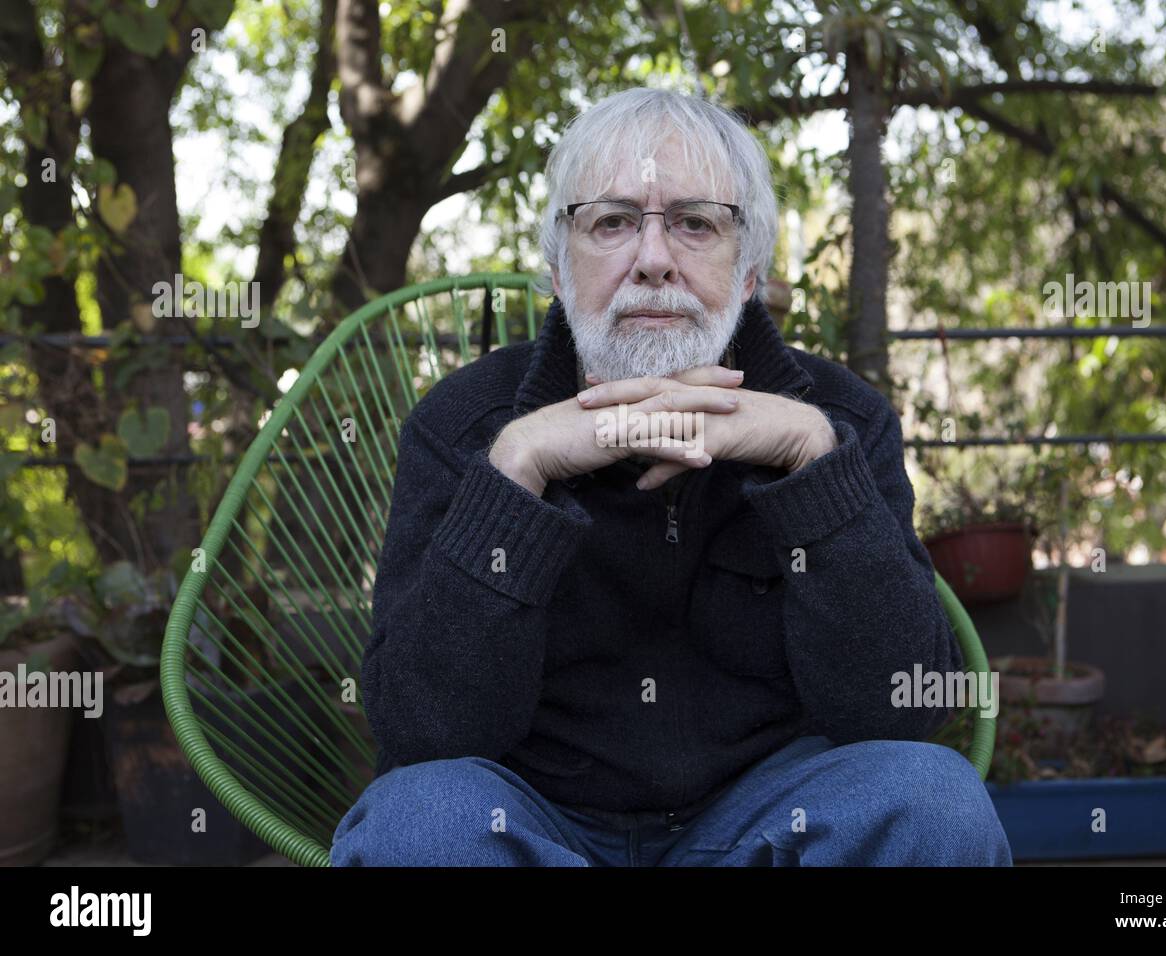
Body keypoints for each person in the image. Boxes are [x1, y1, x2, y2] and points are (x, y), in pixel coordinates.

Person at [330, 87, 1012, 866]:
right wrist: (516, 472)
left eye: (695, 223)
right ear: (558, 265)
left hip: (769, 821)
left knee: (936, 801)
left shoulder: (840, 421)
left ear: (748, 268)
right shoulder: (467, 428)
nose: (653, 261)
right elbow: (420, 733)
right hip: (533, 822)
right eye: (613, 221)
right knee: (415, 825)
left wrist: (815, 465)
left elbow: (901, 712)